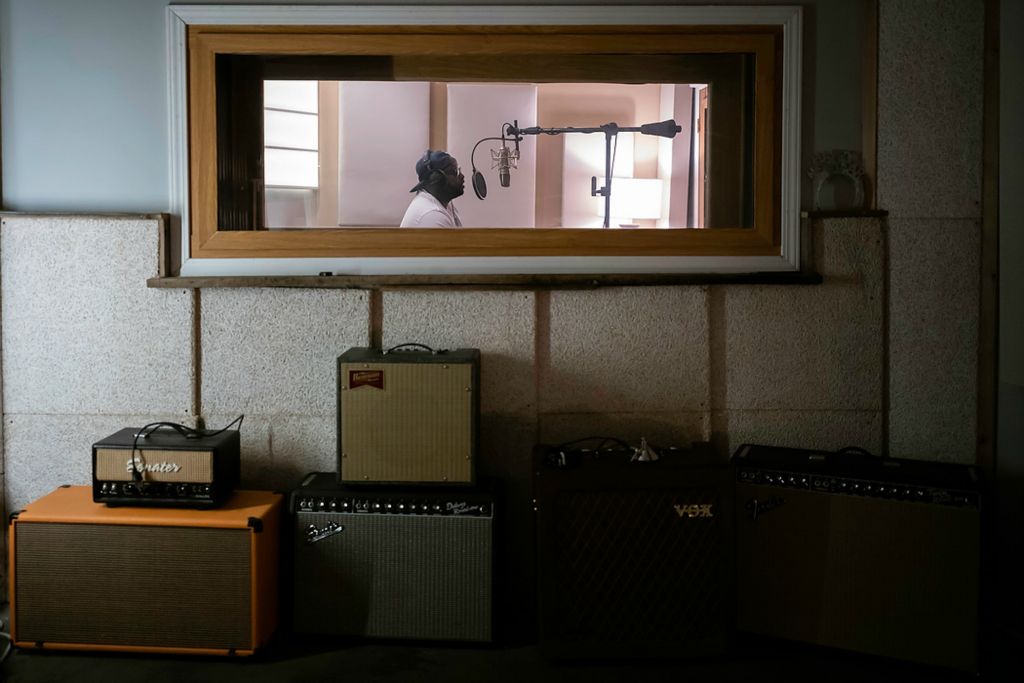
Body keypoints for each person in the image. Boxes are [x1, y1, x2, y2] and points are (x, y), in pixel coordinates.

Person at [400, 150, 465, 227]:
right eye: (454, 172)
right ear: (437, 178)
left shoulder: (446, 205)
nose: (461, 176)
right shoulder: (433, 215)